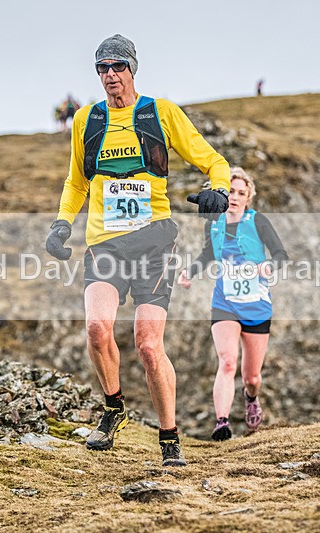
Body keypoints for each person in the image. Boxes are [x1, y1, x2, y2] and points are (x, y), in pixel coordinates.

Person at [45, 34, 231, 466]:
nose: (110, 75)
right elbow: (77, 181)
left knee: (148, 344)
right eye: (101, 68)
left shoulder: (160, 113)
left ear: (132, 69)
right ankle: (114, 410)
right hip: (104, 242)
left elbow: (214, 162)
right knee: (96, 329)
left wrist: (217, 191)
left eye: (117, 66)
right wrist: (61, 222)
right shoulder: (85, 120)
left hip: (154, 241)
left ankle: (169, 439)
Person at [178, 168, 288, 441]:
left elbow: (281, 255)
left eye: (241, 193)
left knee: (251, 377)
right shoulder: (213, 223)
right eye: (230, 191)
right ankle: (222, 424)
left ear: (248, 198)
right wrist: (190, 271)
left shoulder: (257, 221)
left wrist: (268, 265)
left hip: (256, 305)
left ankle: (251, 397)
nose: (235, 197)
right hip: (224, 302)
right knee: (227, 362)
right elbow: (208, 253)